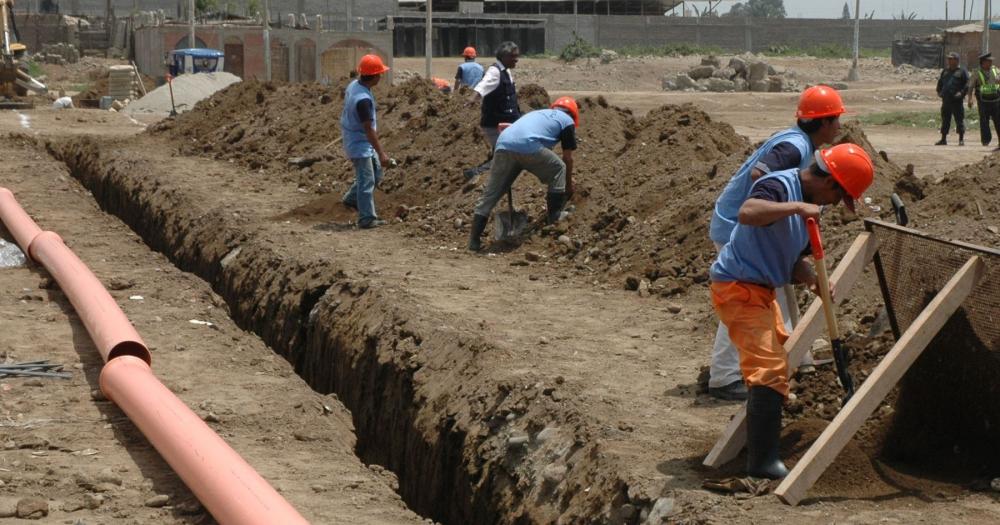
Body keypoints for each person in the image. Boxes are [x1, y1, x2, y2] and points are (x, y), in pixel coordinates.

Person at [711, 143, 874, 479]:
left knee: (779, 360)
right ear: (830, 183)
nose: (832, 205)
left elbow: (795, 260)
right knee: (768, 369)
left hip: (760, 289)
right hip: (738, 286)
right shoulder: (780, 186)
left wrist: (812, 278)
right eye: (837, 197)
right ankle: (762, 463)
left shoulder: (807, 208)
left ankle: (761, 446)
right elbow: (748, 212)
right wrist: (797, 207)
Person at [706, 85, 846, 401]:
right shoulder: (796, 147)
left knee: (772, 299)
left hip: (743, 222)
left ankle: (798, 359)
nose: (839, 127)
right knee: (748, 300)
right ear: (823, 122)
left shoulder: (800, 143)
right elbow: (761, 176)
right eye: (836, 120)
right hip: (738, 226)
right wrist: (780, 210)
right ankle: (727, 377)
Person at [467, 97, 579, 251]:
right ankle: (555, 216)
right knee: (559, 168)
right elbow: (567, 158)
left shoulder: (539, 114)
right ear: (573, 115)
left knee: (491, 194)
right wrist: (568, 186)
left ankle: (473, 241)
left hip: (503, 143)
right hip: (528, 145)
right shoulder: (567, 121)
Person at [340, 54, 392, 229]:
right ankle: (366, 218)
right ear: (375, 76)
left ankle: (352, 198)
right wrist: (382, 153)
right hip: (359, 143)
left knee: (375, 173)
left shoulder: (355, 85)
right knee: (367, 180)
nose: (381, 77)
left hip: (359, 140)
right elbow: (368, 129)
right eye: (380, 74)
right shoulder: (363, 100)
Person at [463, 41, 522, 180]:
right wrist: (472, 99)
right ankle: (476, 173)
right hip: (496, 124)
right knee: (504, 156)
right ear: (504, 56)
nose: (516, 59)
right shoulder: (495, 71)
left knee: (504, 152)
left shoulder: (506, 71)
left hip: (506, 122)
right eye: (513, 56)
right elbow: (482, 86)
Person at [936, 52, 969, 146]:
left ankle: (961, 139)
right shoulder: (945, 71)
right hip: (946, 100)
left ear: (957, 60)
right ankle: (943, 139)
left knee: (959, 120)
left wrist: (962, 93)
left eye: (951, 59)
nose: (949, 61)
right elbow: (940, 83)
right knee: (945, 119)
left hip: (956, 100)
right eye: (949, 59)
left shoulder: (962, 71)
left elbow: (967, 84)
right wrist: (939, 92)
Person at [968, 52, 1000, 147]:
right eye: (988, 61)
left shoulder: (995, 70)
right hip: (983, 101)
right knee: (984, 121)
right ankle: (986, 140)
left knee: (998, 121)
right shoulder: (976, 72)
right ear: (983, 62)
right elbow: (971, 86)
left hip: (996, 100)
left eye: (991, 61)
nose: (990, 63)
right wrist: (970, 99)